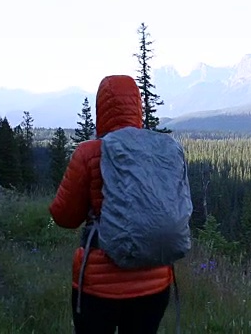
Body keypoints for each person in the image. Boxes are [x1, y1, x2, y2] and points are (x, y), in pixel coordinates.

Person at [49, 75, 173, 334]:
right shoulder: (162, 150)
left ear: (101, 108)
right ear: (137, 106)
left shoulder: (89, 153)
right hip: (155, 281)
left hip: (99, 287)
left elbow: (65, 217)